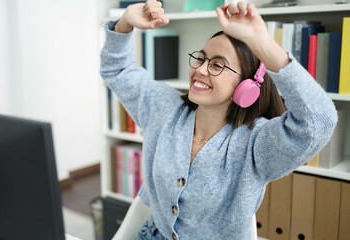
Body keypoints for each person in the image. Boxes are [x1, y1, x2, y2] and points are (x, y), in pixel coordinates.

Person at [100, 1, 338, 239]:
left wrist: (261, 42)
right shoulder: (164, 109)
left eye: (217, 65)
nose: (201, 70)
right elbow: (118, 71)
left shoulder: (257, 144)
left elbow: (319, 120)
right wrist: (125, 22)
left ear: (247, 86)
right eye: (201, 59)